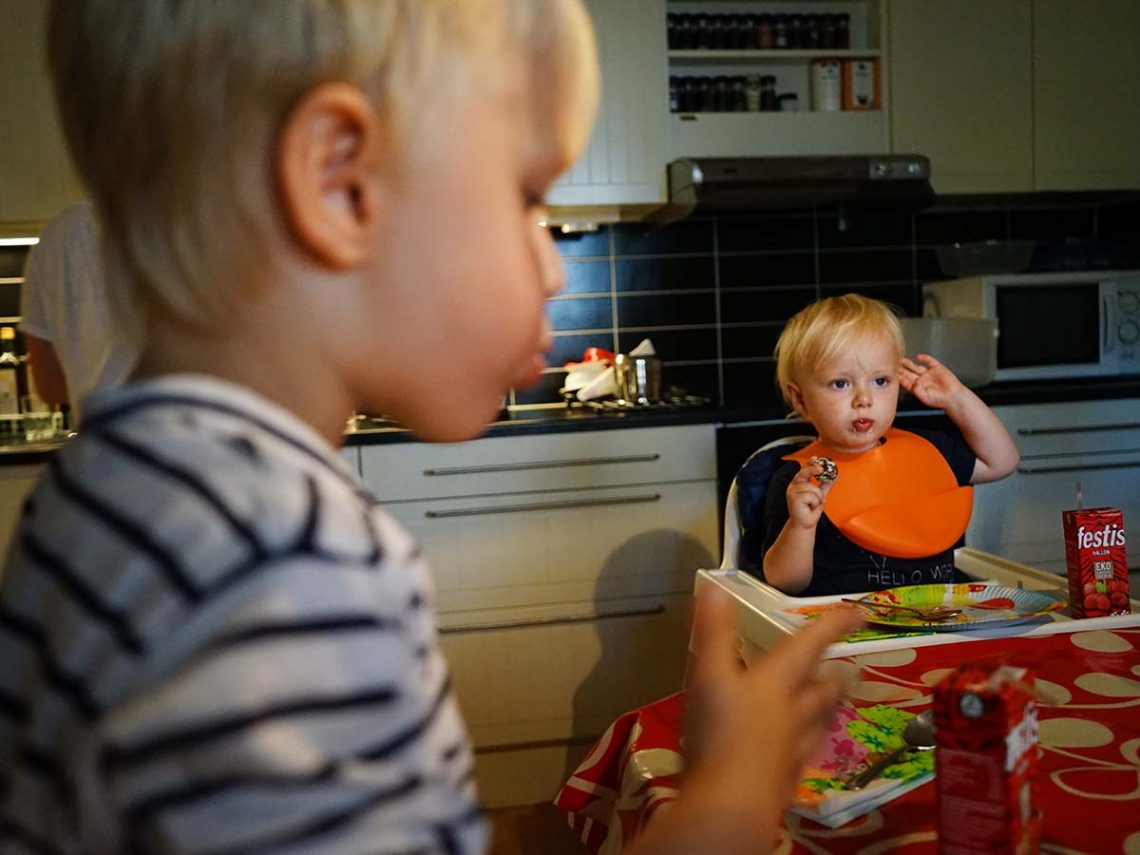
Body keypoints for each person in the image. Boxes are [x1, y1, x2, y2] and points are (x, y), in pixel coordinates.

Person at [0, 2, 861, 853]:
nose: (555, 265)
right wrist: (729, 804)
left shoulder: (104, 488)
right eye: (525, 197)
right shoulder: (286, 558)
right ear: (340, 184)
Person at [761, 294, 1020, 597]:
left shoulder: (929, 449)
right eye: (840, 383)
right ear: (800, 399)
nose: (864, 399)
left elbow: (1003, 461)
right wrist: (801, 526)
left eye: (880, 381)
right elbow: (786, 583)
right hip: (850, 632)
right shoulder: (799, 480)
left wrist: (957, 399)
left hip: (942, 619)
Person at [19, 199, 136, 425]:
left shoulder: (58, 235)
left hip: (98, 441)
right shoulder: (196, 215)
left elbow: (49, 384)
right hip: (193, 441)